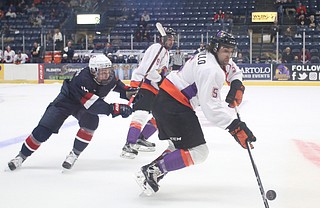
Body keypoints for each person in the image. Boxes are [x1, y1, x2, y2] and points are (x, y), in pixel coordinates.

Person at [134, 31, 256, 195]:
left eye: (231, 50)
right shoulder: (211, 70)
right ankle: (152, 171)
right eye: (225, 50)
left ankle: (153, 171)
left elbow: (233, 70)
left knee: (178, 146)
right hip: (173, 105)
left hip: (167, 101)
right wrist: (235, 127)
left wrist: (236, 85)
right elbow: (210, 108)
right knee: (199, 152)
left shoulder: (209, 55)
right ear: (216, 48)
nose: (229, 55)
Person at [7, 55, 134, 171]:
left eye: (108, 71)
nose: (106, 75)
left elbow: (115, 85)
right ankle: (21, 156)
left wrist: (129, 92)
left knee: (90, 124)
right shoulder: (83, 79)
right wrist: (116, 108)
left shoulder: (109, 76)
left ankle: (74, 154)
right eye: (102, 72)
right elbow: (93, 106)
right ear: (93, 71)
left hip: (84, 104)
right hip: (66, 102)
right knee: (43, 130)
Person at [120, 27, 176, 159]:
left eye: (173, 39)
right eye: (169, 38)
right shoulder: (157, 48)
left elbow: (157, 72)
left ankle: (140, 138)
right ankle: (129, 144)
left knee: (160, 115)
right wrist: (160, 80)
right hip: (143, 83)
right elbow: (148, 70)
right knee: (141, 113)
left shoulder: (165, 52)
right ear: (162, 38)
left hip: (153, 86)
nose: (171, 41)